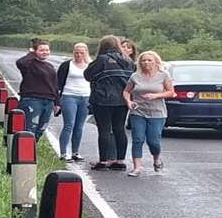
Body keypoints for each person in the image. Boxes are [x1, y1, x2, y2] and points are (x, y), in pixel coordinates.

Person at [84, 35, 135, 171]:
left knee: (104, 130)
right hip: (122, 99)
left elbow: (87, 75)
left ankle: (103, 161)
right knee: (119, 129)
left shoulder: (102, 59)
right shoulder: (128, 61)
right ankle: (120, 160)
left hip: (103, 99)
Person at [125, 49, 174, 176]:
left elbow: (171, 92)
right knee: (138, 139)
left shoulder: (163, 75)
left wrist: (156, 95)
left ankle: (156, 159)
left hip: (157, 113)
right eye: (143, 60)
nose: (146, 62)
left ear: (155, 62)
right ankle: (137, 168)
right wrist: (129, 102)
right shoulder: (135, 76)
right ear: (140, 62)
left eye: (149, 60)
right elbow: (126, 91)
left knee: (153, 141)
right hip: (138, 111)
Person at [14, 38, 59, 138]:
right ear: (35, 51)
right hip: (32, 100)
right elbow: (20, 63)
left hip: (48, 101)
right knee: (30, 129)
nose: (45, 52)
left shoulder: (50, 66)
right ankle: (23, 152)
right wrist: (32, 54)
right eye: (41, 50)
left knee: (40, 130)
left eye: (47, 50)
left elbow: (54, 85)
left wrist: (57, 103)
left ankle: (31, 150)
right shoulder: (29, 64)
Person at [55, 42, 92, 160]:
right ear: (73, 53)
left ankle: (75, 152)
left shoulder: (90, 66)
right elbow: (58, 83)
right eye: (76, 52)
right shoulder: (67, 65)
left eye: (82, 53)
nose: (79, 55)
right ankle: (63, 153)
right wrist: (57, 101)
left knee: (79, 126)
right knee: (69, 124)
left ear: (86, 53)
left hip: (85, 97)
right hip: (69, 96)